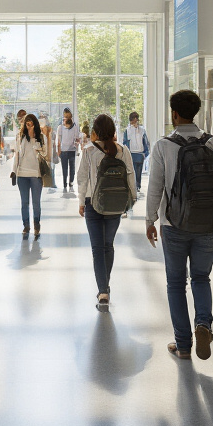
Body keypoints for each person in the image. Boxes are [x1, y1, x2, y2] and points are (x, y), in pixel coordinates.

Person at [146, 89, 213, 361]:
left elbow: (155, 187)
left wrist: (150, 219)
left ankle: (183, 345)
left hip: (174, 225)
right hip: (208, 224)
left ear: (174, 114)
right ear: (195, 113)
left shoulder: (163, 146)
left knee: (175, 283)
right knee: (201, 278)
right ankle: (204, 325)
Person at [77, 114, 136, 311]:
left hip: (93, 204)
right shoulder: (122, 150)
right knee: (108, 245)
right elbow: (130, 176)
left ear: (95, 131)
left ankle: (103, 290)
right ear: (112, 131)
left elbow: (82, 179)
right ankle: (105, 286)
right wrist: (131, 200)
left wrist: (81, 202)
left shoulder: (88, 151)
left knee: (97, 249)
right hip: (116, 205)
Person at [13, 113, 47, 238]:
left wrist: (34, 136)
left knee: (36, 202)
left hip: (36, 174)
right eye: (27, 122)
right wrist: (14, 171)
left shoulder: (41, 137)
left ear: (34, 123)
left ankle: (36, 224)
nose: (28, 124)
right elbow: (17, 155)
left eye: (31, 122)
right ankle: (26, 225)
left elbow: (45, 152)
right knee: (24, 202)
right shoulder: (20, 137)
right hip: (22, 174)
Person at [122, 111, 151, 197]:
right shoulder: (128, 130)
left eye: (136, 119)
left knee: (139, 170)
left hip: (140, 153)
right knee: (133, 170)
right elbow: (125, 142)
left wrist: (146, 152)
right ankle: (134, 186)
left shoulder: (142, 130)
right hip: (132, 153)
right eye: (134, 119)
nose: (135, 121)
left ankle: (138, 185)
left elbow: (145, 141)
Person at [56, 108, 81, 192]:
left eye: (68, 115)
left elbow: (77, 138)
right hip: (63, 150)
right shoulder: (60, 127)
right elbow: (59, 140)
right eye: (65, 115)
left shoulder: (75, 127)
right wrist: (58, 150)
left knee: (72, 168)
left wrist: (76, 145)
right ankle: (64, 183)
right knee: (64, 168)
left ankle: (71, 182)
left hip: (71, 150)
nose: (66, 117)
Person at [42, 116, 57, 192]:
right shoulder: (40, 135)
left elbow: (53, 146)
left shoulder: (51, 134)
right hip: (45, 157)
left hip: (49, 157)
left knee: (51, 169)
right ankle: (50, 183)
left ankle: (51, 183)